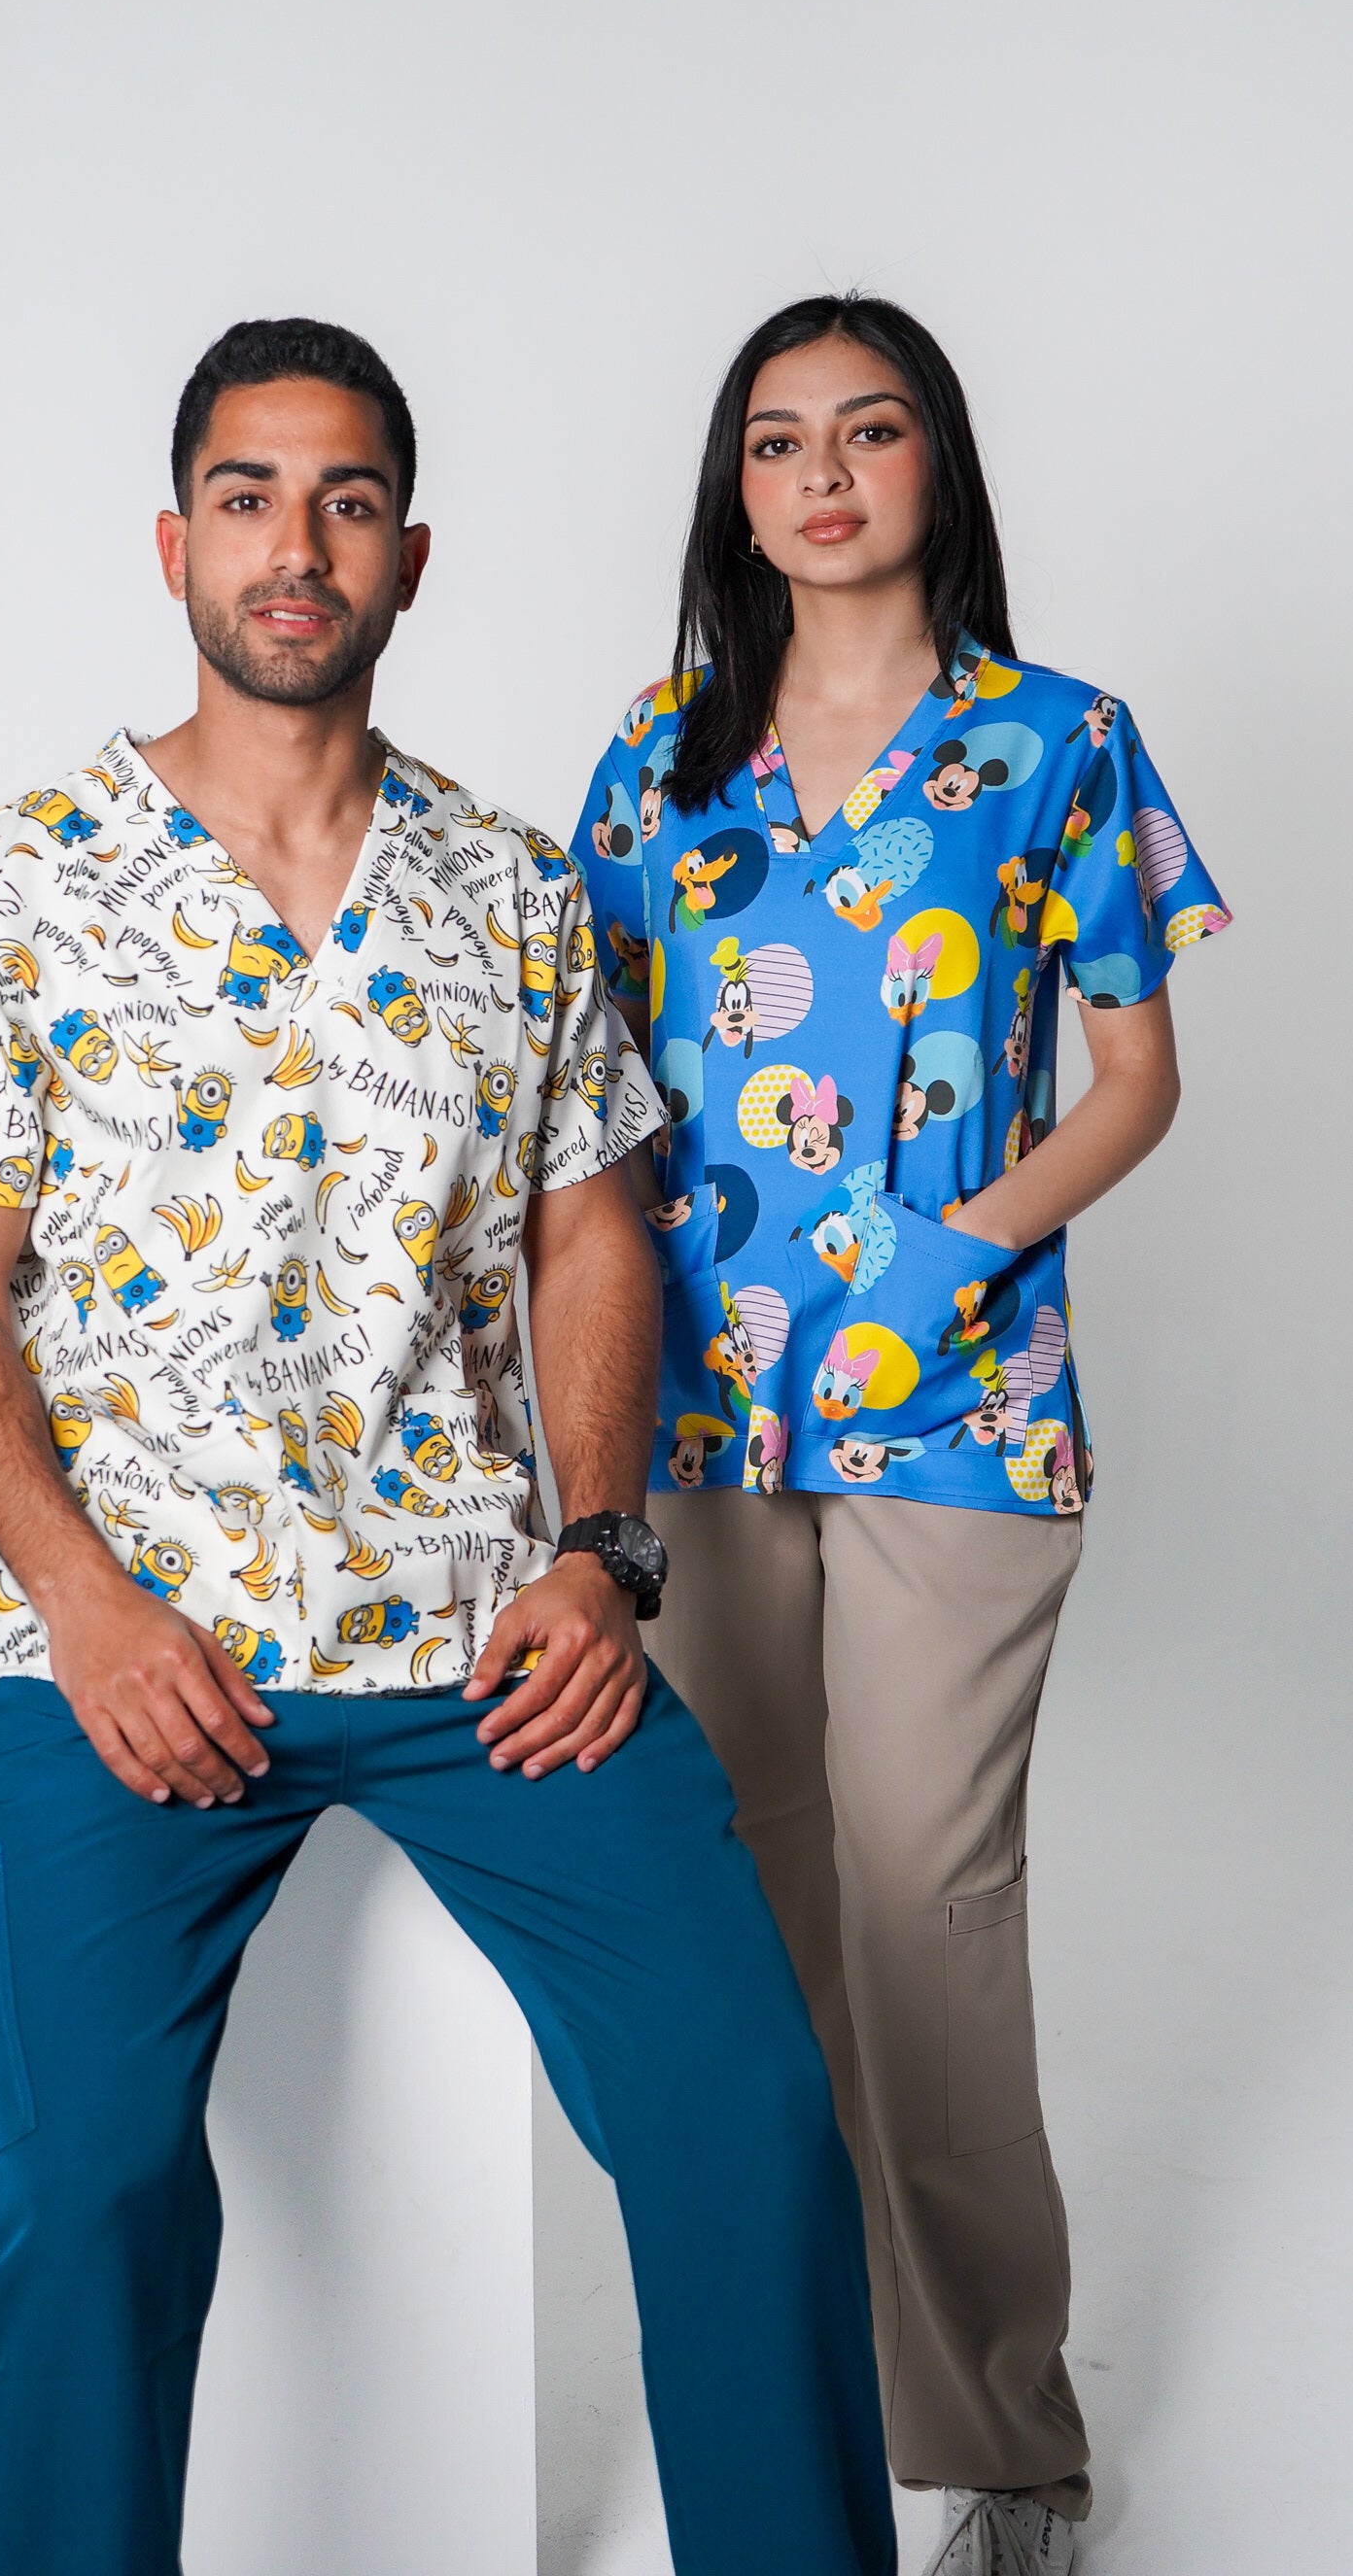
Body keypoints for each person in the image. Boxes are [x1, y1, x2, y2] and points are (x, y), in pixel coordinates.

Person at [0, 317, 896, 2576]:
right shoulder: (10, 887)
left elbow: (591, 1237)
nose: (294, 546)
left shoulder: (507, 887)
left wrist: (598, 1549)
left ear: (410, 555)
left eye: (343, 503)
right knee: (96, 2191)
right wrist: (85, 1601)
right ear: (174, 545)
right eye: (247, 496)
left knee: (747, 2115)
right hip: (124, 1645)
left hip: (478, 1633)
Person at [571, 293, 1229, 2576]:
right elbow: (583, 1095)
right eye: (776, 440)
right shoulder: (656, 755)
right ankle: (793, 2401)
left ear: (937, 462)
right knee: (753, 1927)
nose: (821, 474)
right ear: (734, 489)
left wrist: (961, 1248)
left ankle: (1005, 2445)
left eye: (867, 431)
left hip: (958, 1415)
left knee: (921, 1916)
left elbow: (1133, 1081)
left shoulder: (1055, 743)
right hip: (692, 1425)